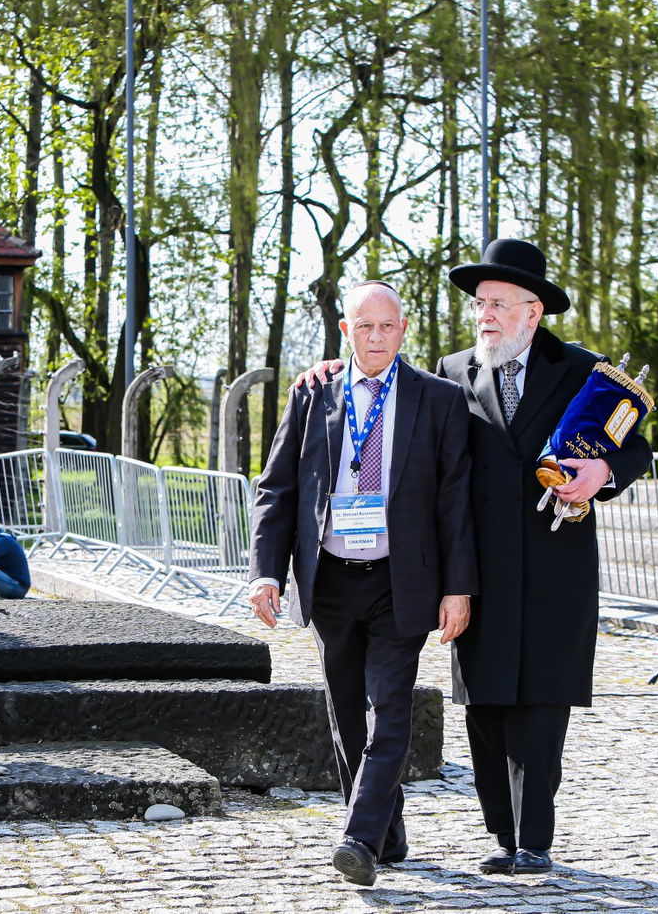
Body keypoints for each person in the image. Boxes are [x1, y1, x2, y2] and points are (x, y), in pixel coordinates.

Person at [298, 239, 652, 876]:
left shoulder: (581, 371)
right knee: (485, 705)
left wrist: (603, 470)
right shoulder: (453, 371)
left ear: (532, 311)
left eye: (498, 304)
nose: (485, 315)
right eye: (480, 304)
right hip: (477, 567)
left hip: (554, 565)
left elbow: (635, 448)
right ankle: (500, 834)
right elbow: (391, 398)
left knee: (541, 704)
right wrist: (332, 369)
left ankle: (534, 839)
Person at [249, 280, 478, 887]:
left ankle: (357, 837)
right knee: (346, 714)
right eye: (364, 327)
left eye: (388, 327)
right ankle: (386, 832)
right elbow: (277, 489)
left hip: (401, 580)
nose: (376, 338)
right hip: (328, 580)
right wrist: (266, 572)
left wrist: (458, 588)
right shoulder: (312, 394)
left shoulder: (439, 400)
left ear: (404, 331)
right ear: (345, 331)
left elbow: (455, 503)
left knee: (390, 709)